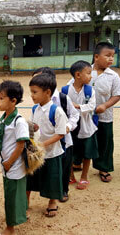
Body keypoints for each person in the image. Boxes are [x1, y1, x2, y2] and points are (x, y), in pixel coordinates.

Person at [32, 67, 79, 202]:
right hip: (46, 140)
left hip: (64, 140)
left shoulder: (63, 98)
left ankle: (63, 190)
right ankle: (49, 190)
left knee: (63, 166)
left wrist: (68, 127)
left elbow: (74, 115)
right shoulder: (38, 100)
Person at [0, 81, 28, 235]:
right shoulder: (5, 117)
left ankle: (10, 227)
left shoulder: (19, 121)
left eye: (1, 98)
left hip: (13, 166)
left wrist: (9, 162)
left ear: (13, 101)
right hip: (7, 165)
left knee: (12, 195)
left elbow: (20, 144)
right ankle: (20, 214)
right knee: (12, 193)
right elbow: (6, 135)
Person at [26, 73, 68, 217]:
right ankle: (25, 203)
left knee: (52, 178)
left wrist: (43, 144)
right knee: (30, 177)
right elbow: (33, 126)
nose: (32, 95)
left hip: (52, 153)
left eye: (35, 92)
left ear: (48, 92)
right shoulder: (35, 109)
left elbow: (61, 133)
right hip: (36, 153)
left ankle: (52, 202)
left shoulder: (56, 111)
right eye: (31, 91)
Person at [90, 42, 120, 182]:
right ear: (96, 56)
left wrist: (105, 105)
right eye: (107, 55)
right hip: (86, 116)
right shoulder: (86, 71)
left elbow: (117, 94)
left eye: (113, 56)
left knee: (104, 142)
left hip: (104, 116)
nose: (111, 59)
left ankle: (103, 167)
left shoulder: (113, 76)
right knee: (83, 139)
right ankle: (77, 162)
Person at [64, 61, 99, 190]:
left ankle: (84, 177)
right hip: (71, 126)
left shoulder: (90, 90)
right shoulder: (66, 90)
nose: (91, 76)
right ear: (78, 75)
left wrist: (78, 106)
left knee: (87, 152)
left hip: (86, 126)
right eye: (89, 73)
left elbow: (92, 106)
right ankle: (71, 176)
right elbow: (63, 108)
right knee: (70, 151)